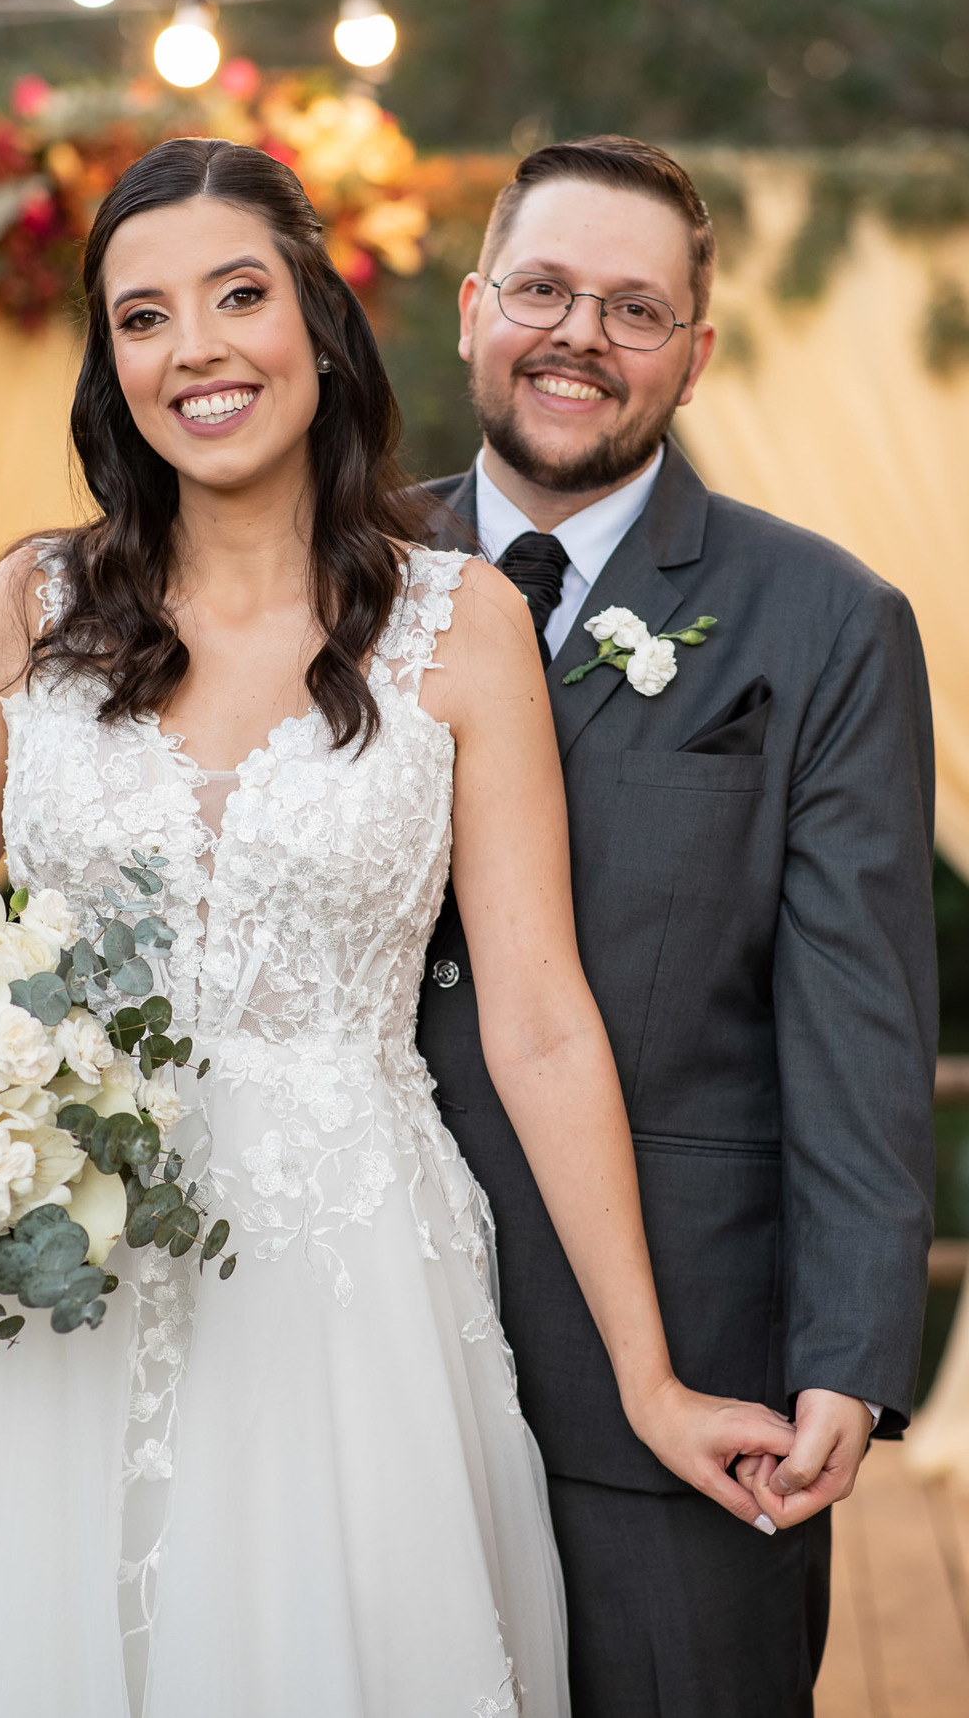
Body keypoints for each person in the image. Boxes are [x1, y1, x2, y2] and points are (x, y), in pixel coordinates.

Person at [0, 139, 795, 1718]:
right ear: (113, 366)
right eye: (144, 317)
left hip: (349, 1295)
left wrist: (650, 1381)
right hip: (48, 1292)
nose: (197, 349)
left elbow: (538, 1019)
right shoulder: (31, 610)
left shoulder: (465, 626)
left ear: (318, 320)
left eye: (238, 295)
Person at [417, 134, 938, 1718]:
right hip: (366, 1359)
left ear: (695, 356)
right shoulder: (329, 578)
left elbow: (857, 1018)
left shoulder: (827, 621)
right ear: (472, 312)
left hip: (690, 1379)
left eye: (633, 309)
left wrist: (848, 1352)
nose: (579, 335)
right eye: (543, 290)